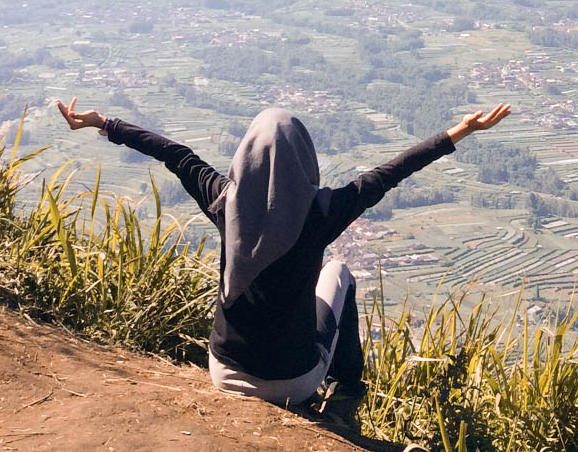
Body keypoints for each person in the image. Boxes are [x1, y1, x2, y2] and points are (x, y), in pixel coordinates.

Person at [54, 95, 510, 408]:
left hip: (224, 372)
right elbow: (389, 173)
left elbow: (173, 153)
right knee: (340, 273)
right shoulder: (322, 212)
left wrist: (102, 123)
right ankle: (348, 390)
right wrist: (457, 133)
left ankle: (335, 387)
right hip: (294, 382)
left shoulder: (222, 199)